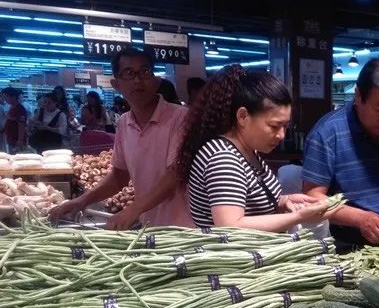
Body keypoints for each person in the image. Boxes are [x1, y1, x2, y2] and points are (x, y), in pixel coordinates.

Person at [50, 48, 193, 229]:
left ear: (156, 81)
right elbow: (120, 176)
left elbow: (176, 174)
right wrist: (82, 200)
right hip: (150, 228)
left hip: (185, 229)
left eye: (144, 72)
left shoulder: (181, 117)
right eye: (129, 73)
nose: (137, 80)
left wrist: (133, 210)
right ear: (116, 84)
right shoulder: (124, 123)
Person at [177, 65, 326, 230]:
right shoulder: (223, 158)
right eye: (274, 126)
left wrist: (284, 200)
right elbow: (230, 226)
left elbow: (250, 204)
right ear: (243, 116)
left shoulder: (246, 150)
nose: (281, 135)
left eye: (285, 126)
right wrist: (298, 217)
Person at [302, 57, 379, 253]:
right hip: (344, 243)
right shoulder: (326, 133)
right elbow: (312, 197)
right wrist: (359, 218)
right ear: (358, 96)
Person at [1, 87, 27, 154]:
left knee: (17, 157)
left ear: (13, 96)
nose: (5, 99)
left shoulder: (19, 109)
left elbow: (21, 125)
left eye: (6, 97)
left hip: (16, 139)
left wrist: (20, 140)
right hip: (11, 138)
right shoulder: (12, 107)